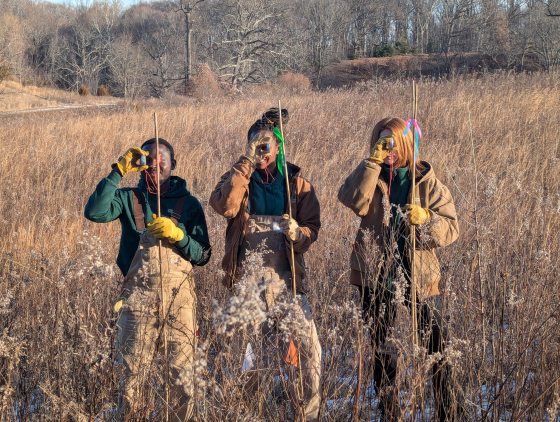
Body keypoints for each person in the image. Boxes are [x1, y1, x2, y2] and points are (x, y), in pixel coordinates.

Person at [338, 117, 462, 420]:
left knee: (438, 345)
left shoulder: (428, 181)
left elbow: (452, 228)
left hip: (419, 274)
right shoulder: (372, 173)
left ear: (407, 144)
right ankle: (390, 412)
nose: (387, 149)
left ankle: (449, 413)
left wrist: (427, 220)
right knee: (383, 350)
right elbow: (353, 200)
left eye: (392, 142)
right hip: (376, 274)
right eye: (381, 142)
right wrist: (372, 162)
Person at [84, 138, 211, 420]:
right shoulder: (128, 198)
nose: (154, 164)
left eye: (161, 159)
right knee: (131, 380)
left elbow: (203, 255)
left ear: (173, 165)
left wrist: (180, 236)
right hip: (137, 301)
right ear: (140, 165)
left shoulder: (188, 204)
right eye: (148, 160)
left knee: (182, 380)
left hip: (180, 303)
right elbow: (94, 212)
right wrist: (118, 170)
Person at [209, 108, 322, 421]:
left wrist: (298, 233)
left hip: (289, 280)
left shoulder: (296, 185)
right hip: (247, 281)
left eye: (265, 146)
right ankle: (250, 412)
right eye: (253, 146)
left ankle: (306, 413)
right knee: (247, 354)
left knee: (308, 350)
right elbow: (226, 207)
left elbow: (313, 228)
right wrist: (244, 163)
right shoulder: (239, 180)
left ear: (279, 147)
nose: (260, 153)